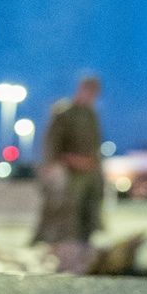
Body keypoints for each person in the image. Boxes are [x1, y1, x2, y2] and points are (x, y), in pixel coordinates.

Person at [33, 75, 105, 245]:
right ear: (81, 90)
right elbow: (52, 141)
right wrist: (56, 163)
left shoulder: (91, 114)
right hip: (70, 172)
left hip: (90, 171)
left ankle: (83, 244)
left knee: (89, 211)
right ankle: (60, 245)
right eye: (89, 90)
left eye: (94, 92)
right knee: (66, 213)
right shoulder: (65, 112)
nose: (91, 95)